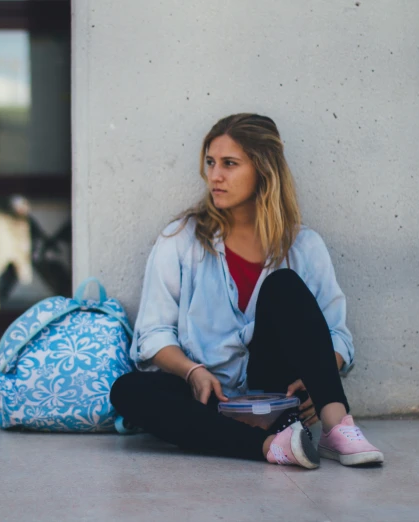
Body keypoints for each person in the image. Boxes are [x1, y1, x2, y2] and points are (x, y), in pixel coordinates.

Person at [110, 114, 383, 469]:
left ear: (263, 169)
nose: (215, 175)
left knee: (283, 285)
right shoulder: (180, 240)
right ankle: (271, 446)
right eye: (210, 162)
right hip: (208, 398)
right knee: (128, 391)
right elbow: (153, 334)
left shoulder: (304, 246)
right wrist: (192, 372)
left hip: (278, 399)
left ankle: (336, 428)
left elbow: (337, 336)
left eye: (229, 164)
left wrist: (317, 378)